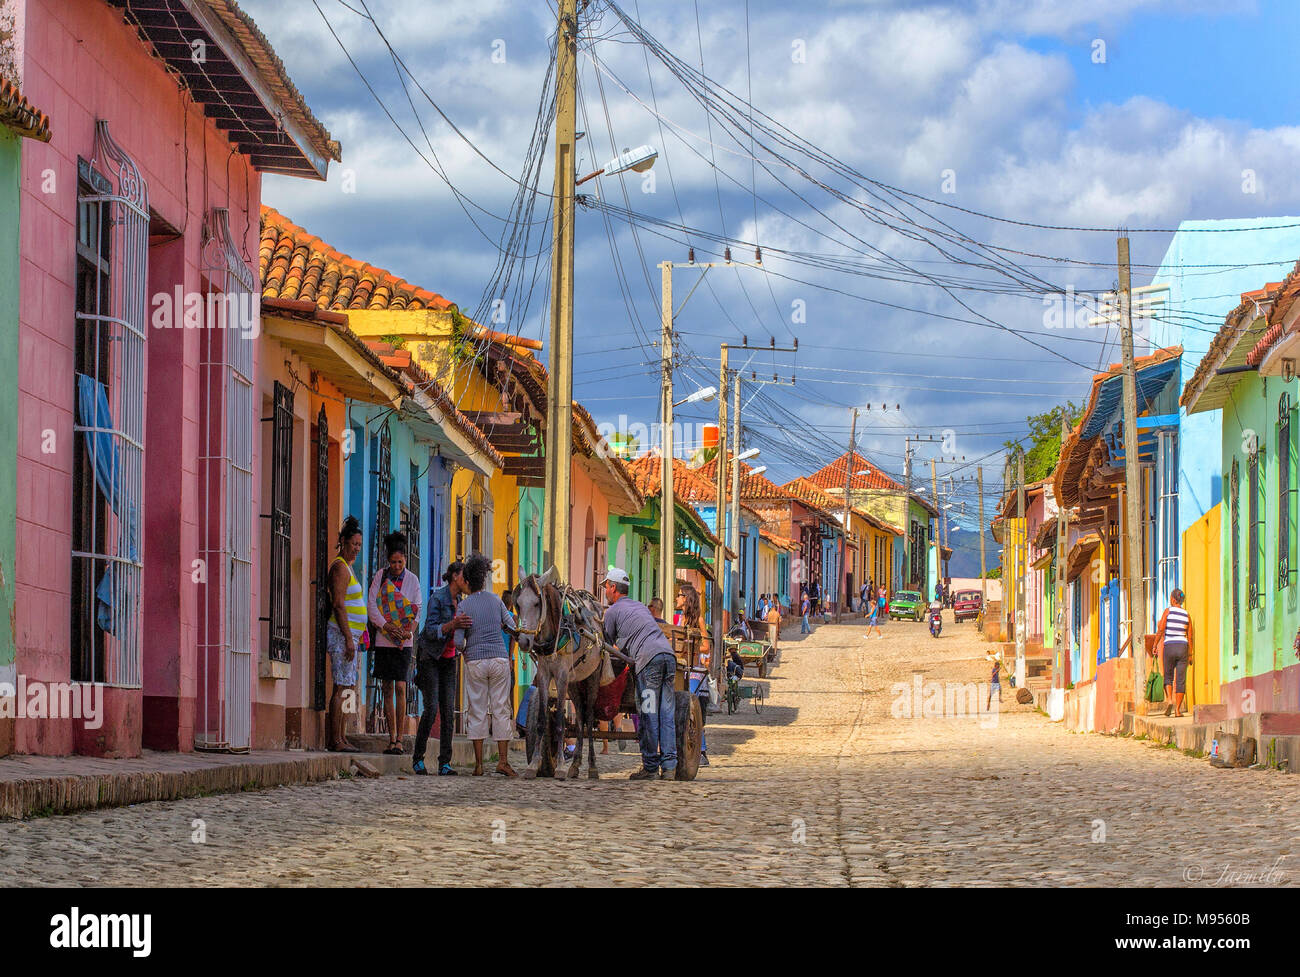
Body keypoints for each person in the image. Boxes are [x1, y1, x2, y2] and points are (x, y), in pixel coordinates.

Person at [601, 566, 677, 780]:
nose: (605, 591)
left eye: (606, 587)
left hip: (649, 663)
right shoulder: (640, 608)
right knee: (666, 713)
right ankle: (669, 767)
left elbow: (606, 647)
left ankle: (651, 767)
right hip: (668, 658)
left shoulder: (613, 612)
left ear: (613, 588)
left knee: (649, 713)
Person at [454, 553, 518, 777]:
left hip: (476, 661)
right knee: (501, 709)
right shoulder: (497, 601)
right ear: (484, 578)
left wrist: (465, 650)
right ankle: (502, 761)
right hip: (499, 659)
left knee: (477, 710)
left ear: (468, 581)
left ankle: (479, 765)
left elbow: (457, 642)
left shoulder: (464, 606)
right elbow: (512, 627)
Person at [412, 561, 470, 776]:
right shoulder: (438, 598)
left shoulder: (462, 602)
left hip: (449, 659)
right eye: (465, 576)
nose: (467, 581)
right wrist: (452, 625)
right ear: (455, 576)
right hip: (430, 657)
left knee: (448, 711)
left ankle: (444, 763)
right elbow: (429, 631)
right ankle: (418, 758)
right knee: (431, 708)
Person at [367, 531, 421, 755]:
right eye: (393, 562)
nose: (396, 566)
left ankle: (401, 737)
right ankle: (391, 738)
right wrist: (386, 627)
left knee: (401, 686)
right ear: (387, 561)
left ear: (405, 560)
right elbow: (372, 606)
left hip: (403, 644)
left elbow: (417, 609)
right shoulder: (380, 577)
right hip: (383, 640)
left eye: (400, 562)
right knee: (387, 687)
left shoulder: (412, 580)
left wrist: (408, 631)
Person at [326, 516, 366, 753]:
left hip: (350, 635)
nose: (357, 549)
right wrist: (349, 638)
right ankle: (335, 739)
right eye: (354, 544)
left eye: (359, 545)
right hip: (342, 634)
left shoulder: (348, 567)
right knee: (340, 687)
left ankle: (342, 736)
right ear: (343, 542)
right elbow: (339, 604)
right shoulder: (340, 567)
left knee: (345, 686)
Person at [1155, 589, 1194, 718]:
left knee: (1168, 676)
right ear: (1181, 601)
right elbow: (1190, 636)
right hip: (1183, 647)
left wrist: (1155, 644)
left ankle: (1170, 700)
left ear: (1172, 599)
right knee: (1181, 680)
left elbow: (1161, 629)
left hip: (1170, 646)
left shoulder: (1168, 611)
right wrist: (1190, 654)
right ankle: (1177, 710)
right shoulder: (1187, 615)